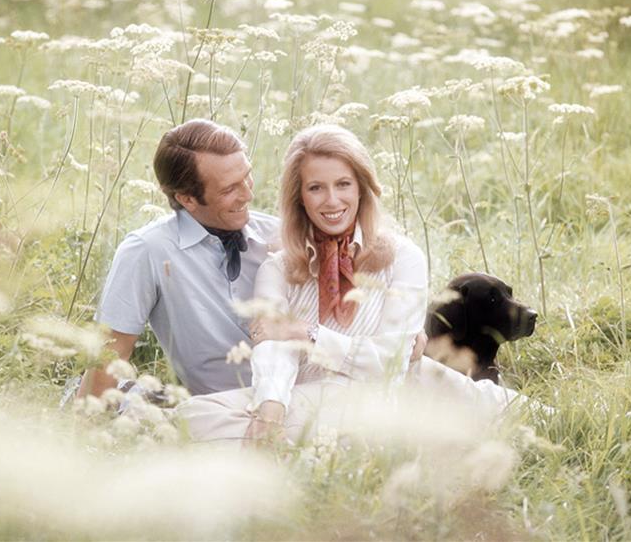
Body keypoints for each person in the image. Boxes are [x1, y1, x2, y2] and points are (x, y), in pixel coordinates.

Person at [176, 124, 524, 444]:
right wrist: (271, 408)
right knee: (190, 416)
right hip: (306, 399)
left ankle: (307, 452)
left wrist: (309, 335)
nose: (332, 201)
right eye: (316, 188)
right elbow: (273, 346)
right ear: (299, 196)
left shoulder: (403, 257)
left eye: (343, 184)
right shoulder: (277, 268)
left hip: (387, 399)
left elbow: (390, 364)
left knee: (200, 432)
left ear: (361, 188)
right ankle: (308, 446)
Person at [77, 118, 427, 400]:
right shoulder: (147, 252)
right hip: (227, 405)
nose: (248, 194)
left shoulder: (279, 237)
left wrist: (411, 334)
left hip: (311, 390)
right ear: (187, 198)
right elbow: (108, 357)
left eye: (247, 178)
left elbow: (374, 297)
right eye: (230, 189)